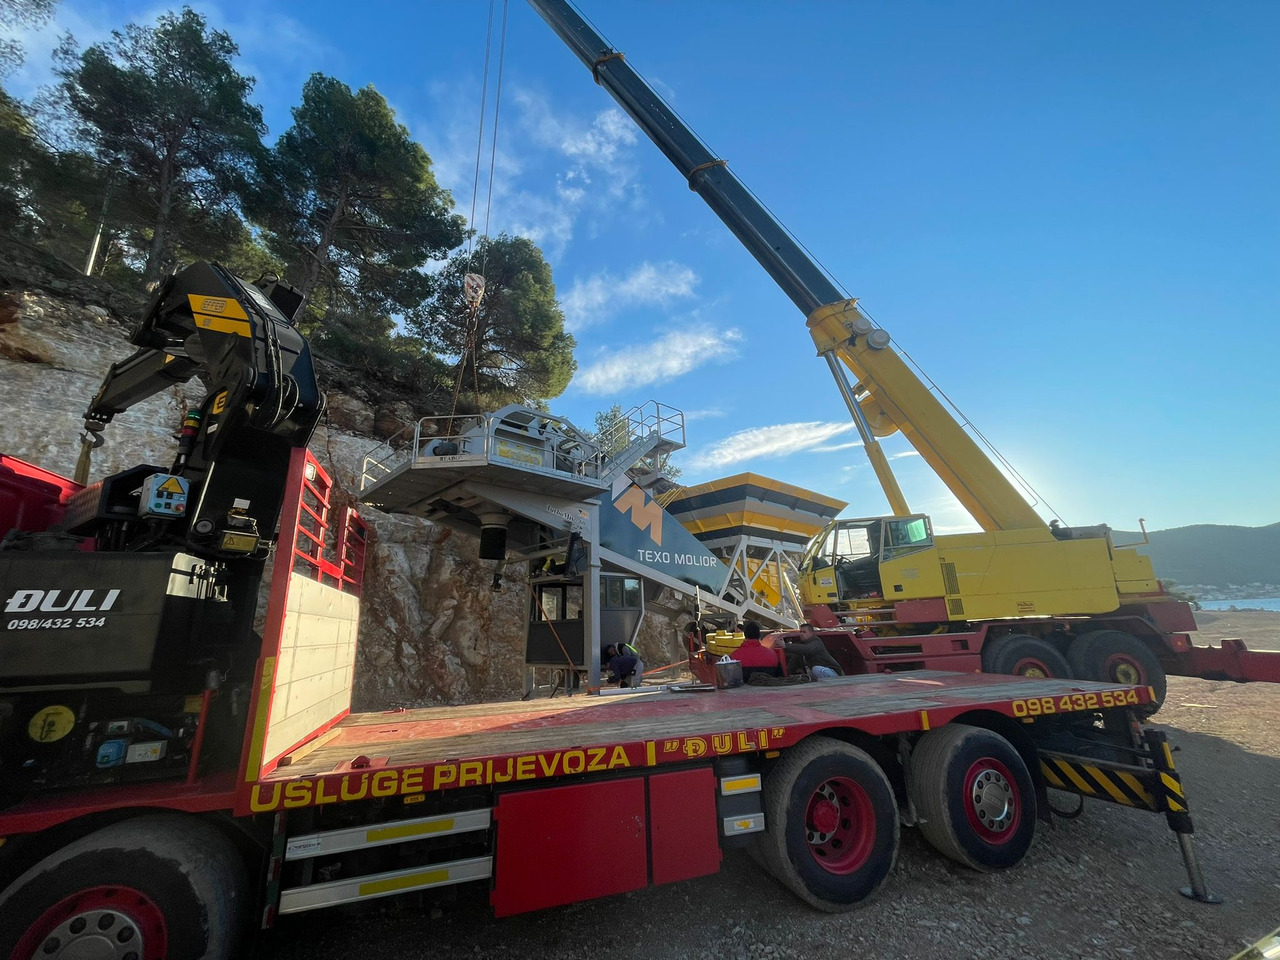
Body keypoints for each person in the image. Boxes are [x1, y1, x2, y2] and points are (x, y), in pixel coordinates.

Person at [781, 622, 845, 678]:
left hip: (835, 674)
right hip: (816, 675)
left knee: (816, 669)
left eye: (804, 632)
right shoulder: (801, 647)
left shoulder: (816, 642)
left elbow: (808, 649)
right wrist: (787, 676)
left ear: (811, 633)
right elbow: (793, 663)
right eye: (800, 632)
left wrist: (786, 646)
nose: (801, 634)